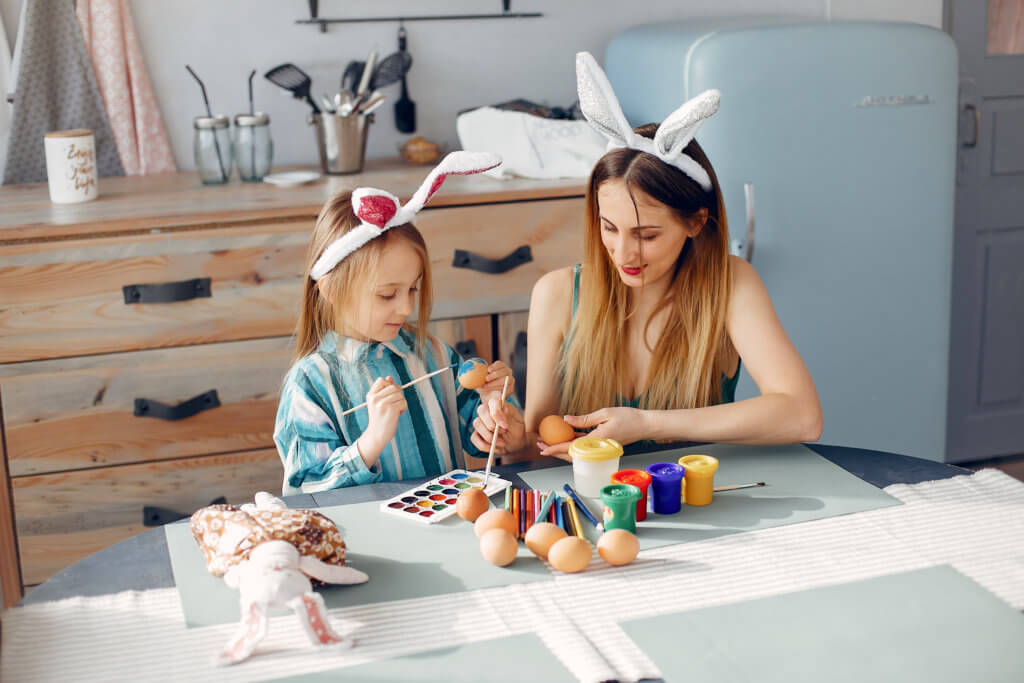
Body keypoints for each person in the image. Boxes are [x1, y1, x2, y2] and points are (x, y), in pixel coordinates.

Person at [518, 52, 822, 458]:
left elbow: (802, 415)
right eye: (610, 228)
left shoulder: (730, 285)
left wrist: (647, 423)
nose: (622, 252)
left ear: (696, 222)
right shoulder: (555, 293)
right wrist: (507, 435)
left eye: (646, 235)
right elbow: (532, 445)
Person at [274, 152, 529, 493]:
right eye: (387, 295)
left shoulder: (435, 356)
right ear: (331, 290)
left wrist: (498, 418)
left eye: (412, 289)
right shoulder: (309, 386)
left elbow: (486, 441)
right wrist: (371, 442)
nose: (406, 307)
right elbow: (308, 490)